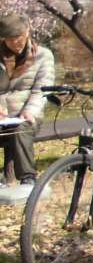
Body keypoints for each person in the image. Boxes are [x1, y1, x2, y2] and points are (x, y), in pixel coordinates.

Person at [0, 14, 54, 194]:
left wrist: (30, 110)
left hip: (27, 113)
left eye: (19, 37)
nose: (15, 42)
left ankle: (28, 179)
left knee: (21, 129)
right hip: (2, 115)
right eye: (10, 39)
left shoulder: (43, 56)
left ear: (27, 32)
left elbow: (42, 89)